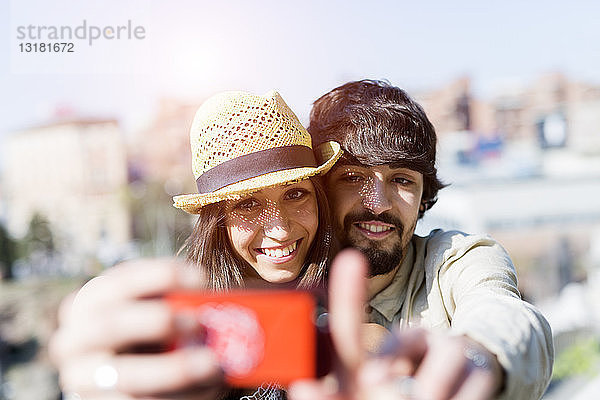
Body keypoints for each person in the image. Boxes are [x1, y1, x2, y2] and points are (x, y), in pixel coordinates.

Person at [49, 90, 343, 400]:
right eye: (247, 204)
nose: (280, 230)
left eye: (295, 194)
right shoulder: (174, 326)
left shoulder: (356, 314)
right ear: (216, 222)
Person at [288, 80, 554, 400]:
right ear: (319, 190)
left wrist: (475, 356)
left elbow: (506, 313)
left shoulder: (457, 260)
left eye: (401, 179)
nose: (378, 203)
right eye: (352, 177)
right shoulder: (282, 270)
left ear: (423, 198)